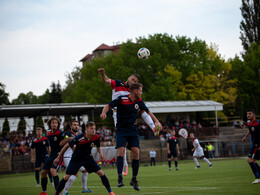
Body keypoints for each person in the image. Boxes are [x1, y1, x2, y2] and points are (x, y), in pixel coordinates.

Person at [98, 68, 161, 176]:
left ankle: (154, 128)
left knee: (142, 110)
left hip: (129, 113)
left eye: (135, 81)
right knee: (122, 144)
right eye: (133, 79)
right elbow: (106, 80)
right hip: (118, 114)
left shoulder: (133, 91)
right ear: (128, 78)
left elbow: (142, 104)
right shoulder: (118, 83)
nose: (133, 82)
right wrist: (103, 74)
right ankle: (125, 165)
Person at [53, 121, 115, 195]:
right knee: (66, 177)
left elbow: (98, 146)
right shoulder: (79, 137)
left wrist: (100, 153)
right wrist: (58, 158)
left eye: (94, 128)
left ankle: (110, 192)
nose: (93, 130)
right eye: (91, 128)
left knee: (101, 173)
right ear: (87, 129)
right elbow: (66, 146)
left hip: (88, 158)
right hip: (76, 159)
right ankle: (57, 193)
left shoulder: (96, 137)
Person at [61, 121, 92, 194]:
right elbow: (70, 146)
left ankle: (84, 188)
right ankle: (63, 191)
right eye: (74, 125)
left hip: (74, 158)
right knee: (75, 174)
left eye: (77, 125)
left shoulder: (75, 135)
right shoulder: (68, 134)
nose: (76, 126)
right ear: (71, 126)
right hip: (68, 157)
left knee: (85, 170)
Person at [39, 117, 66, 195]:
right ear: (50, 124)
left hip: (58, 155)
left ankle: (58, 192)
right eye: (53, 123)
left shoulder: (60, 133)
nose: (54, 124)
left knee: (52, 171)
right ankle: (44, 192)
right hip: (51, 155)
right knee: (43, 172)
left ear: (58, 124)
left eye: (56, 123)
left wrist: (69, 138)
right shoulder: (49, 133)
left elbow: (66, 139)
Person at [242, 109, 260, 184]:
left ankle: (257, 178)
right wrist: (245, 137)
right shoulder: (249, 123)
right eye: (247, 114)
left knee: (249, 160)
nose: (248, 115)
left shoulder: (258, 124)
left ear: (254, 115)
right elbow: (250, 130)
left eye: (250, 114)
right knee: (254, 161)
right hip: (254, 144)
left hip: (257, 145)